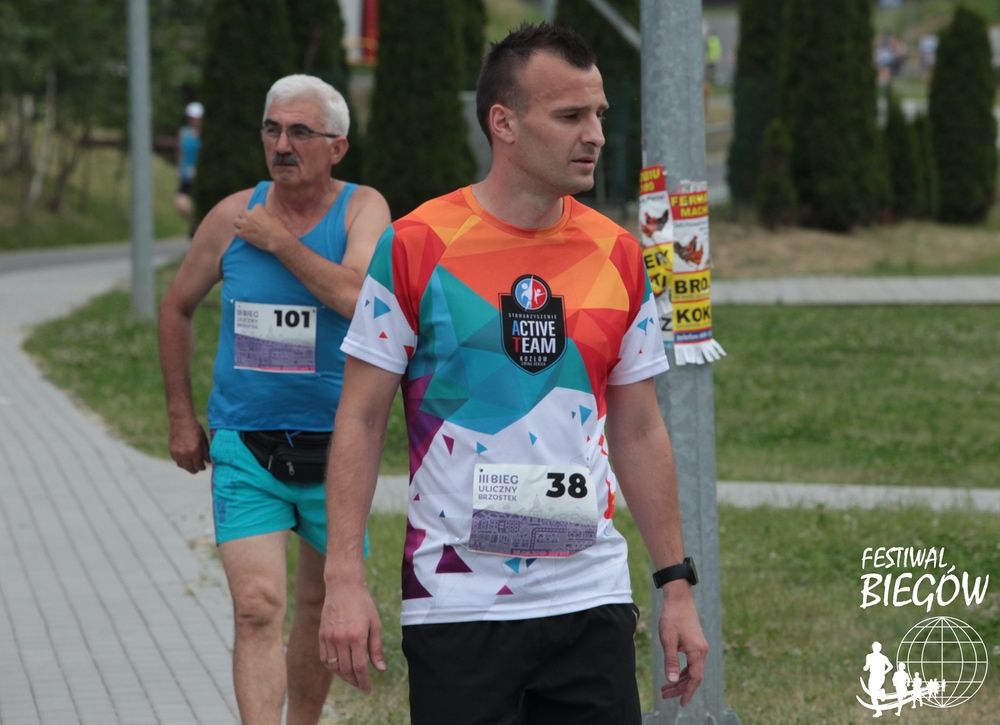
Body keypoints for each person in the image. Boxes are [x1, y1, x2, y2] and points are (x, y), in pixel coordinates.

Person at [318, 22, 707, 724]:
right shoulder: (415, 244)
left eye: (598, 114)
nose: (595, 135)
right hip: (457, 601)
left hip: (589, 597)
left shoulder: (618, 253)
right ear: (504, 122)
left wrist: (675, 584)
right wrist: (343, 577)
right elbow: (362, 417)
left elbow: (640, 429)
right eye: (570, 116)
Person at [158, 74, 391, 725]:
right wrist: (180, 415)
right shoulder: (232, 216)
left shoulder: (363, 209)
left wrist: (281, 244)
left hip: (339, 448)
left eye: (299, 132)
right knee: (257, 607)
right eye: (272, 129)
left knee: (318, 609)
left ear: (337, 146)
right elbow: (176, 307)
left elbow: (357, 298)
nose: (282, 145)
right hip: (245, 443)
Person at [174, 101, 203, 223]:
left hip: (200, 175)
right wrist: (179, 169)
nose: (194, 120)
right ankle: (196, 222)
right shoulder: (183, 132)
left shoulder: (204, 133)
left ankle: (199, 223)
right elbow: (180, 152)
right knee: (181, 204)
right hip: (186, 175)